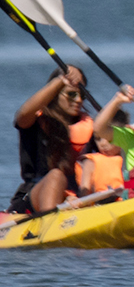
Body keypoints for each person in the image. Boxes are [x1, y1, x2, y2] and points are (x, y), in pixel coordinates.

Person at [9, 66, 96, 215]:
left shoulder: (91, 127)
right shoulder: (36, 121)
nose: (79, 100)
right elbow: (22, 115)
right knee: (56, 176)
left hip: (78, 195)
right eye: (71, 94)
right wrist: (60, 81)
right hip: (34, 195)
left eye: (82, 94)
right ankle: (50, 227)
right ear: (55, 94)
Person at [78, 107, 130, 196]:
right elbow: (84, 194)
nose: (102, 144)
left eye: (108, 138)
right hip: (104, 205)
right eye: (98, 139)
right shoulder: (91, 163)